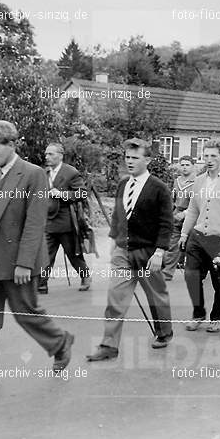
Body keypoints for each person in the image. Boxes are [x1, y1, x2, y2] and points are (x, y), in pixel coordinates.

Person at [0, 121, 73, 392]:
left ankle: (61, 342)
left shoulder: (33, 174)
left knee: (26, 313)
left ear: (11, 145)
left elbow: (35, 223)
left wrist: (25, 262)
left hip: (18, 261)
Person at [86, 138, 173, 362]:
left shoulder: (159, 188)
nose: (130, 161)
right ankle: (109, 345)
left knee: (156, 297)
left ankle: (163, 332)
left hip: (148, 252)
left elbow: (166, 223)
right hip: (123, 253)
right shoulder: (124, 184)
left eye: (135, 158)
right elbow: (117, 215)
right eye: (127, 157)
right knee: (115, 299)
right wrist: (113, 241)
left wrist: (160, 252)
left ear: (148, 159)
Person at [178, 140, 220, 333]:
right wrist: (184, 233)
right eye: (206, 156)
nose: (209, 160)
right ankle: (198, 313)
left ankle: (216, 318)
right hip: (198, 237)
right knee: (191, 276)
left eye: (213, 156)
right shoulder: (199, 180)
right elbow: (192, 209)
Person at [38, 143, 91, 293]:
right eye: (46, 154)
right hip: (48, 220)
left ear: (60, 155)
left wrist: (62, 194)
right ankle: (41, 284)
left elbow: (82, 193)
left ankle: (85, 276)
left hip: (66, 221)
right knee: (46, 253)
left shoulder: (71, 172)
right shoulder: (44, 172)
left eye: (51, 154)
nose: (47, 157)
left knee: (72, 253)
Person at [162, 155, 196, 281]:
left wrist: (186, 213)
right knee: (173, 244)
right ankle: (167, 273)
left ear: (193, 166)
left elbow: (197, 203)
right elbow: (172, 199)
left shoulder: (197, 182)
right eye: (182, 165)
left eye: (187, 165)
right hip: (176, 215)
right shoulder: (176, 181)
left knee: (192, 246)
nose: (185, 167)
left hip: (191, 216)